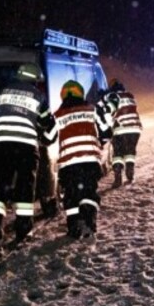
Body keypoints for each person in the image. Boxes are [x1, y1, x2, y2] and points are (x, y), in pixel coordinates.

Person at [0, 63, 55, 250]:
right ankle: (23, 231)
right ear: (35, 79)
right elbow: (46, 122)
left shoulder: (2, 92)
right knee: (25, 190)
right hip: (25, 147)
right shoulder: (39, 96)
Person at [45, 80, 112, 239]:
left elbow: (48, 138)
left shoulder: (58, 115)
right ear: (80, 93)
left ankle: (74, 227)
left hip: (68, 165)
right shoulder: (92, 110)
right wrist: (99, 142)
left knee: (71, 195)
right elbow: (107, 132)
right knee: (89, 192)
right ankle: (89, 222)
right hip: (90, 161)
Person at [103, 78, 143, 188]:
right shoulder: (130, 95)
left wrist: (109, 124)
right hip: (135, 128)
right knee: (130, 151)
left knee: (118, 153)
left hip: (121, 128)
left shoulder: (113, 97)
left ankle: (118, 178)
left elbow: (109, 111)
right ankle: (130, 173)